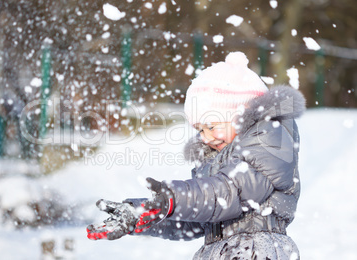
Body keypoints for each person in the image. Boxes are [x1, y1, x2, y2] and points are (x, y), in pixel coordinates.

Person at [87, 51, 305, 259]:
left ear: (242, 115)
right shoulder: (216, 160)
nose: (206, 137)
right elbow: (197, 217)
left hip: (257, 251)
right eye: (200, 130)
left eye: (211, 125)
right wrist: (145, 213)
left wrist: (173, 198)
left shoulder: (268, 141)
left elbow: (227, 192)